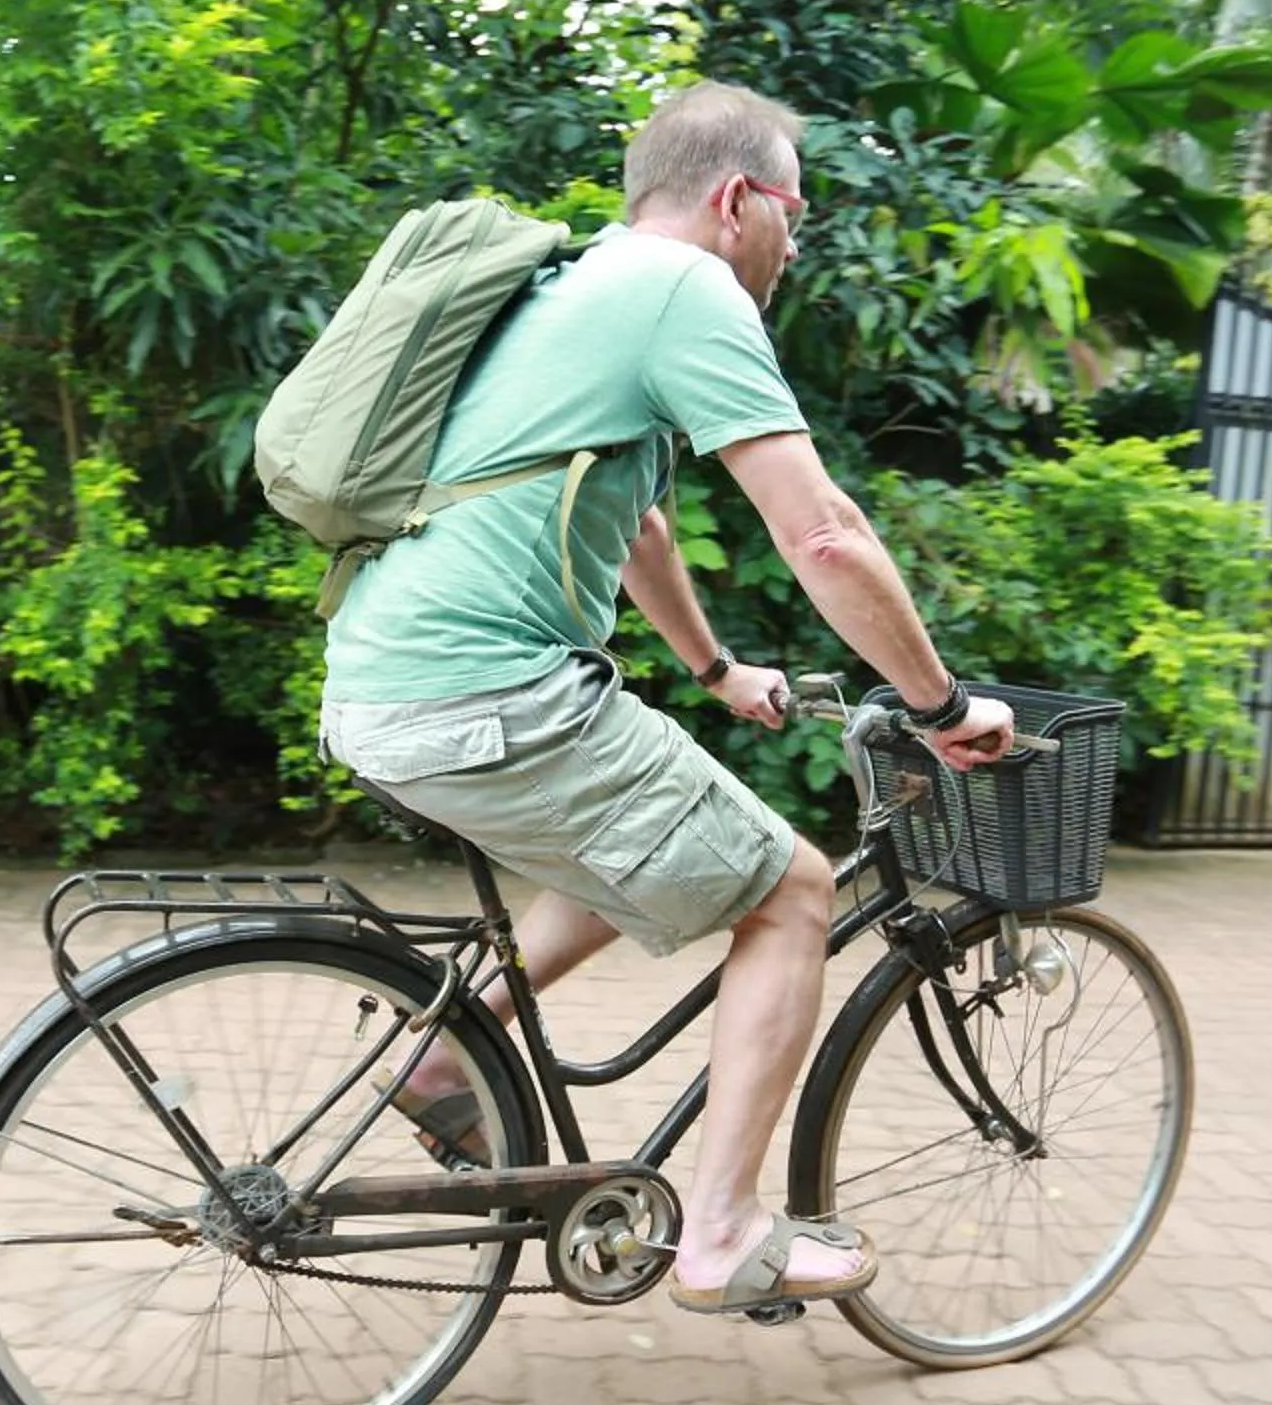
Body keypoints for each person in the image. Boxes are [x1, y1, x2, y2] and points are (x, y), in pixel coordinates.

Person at [318, 80, 1015, 1317]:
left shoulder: (579, 283)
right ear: (739, 199)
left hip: (384, 686)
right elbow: (825, 535)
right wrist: (942, 702)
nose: (794, 247)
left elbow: (638, 521)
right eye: (796, 216)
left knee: (630, 850)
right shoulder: (689, 290)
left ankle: (446, 1049)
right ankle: (724, 1231)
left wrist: (714, 668)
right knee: (794, 891)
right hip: (486, 692)